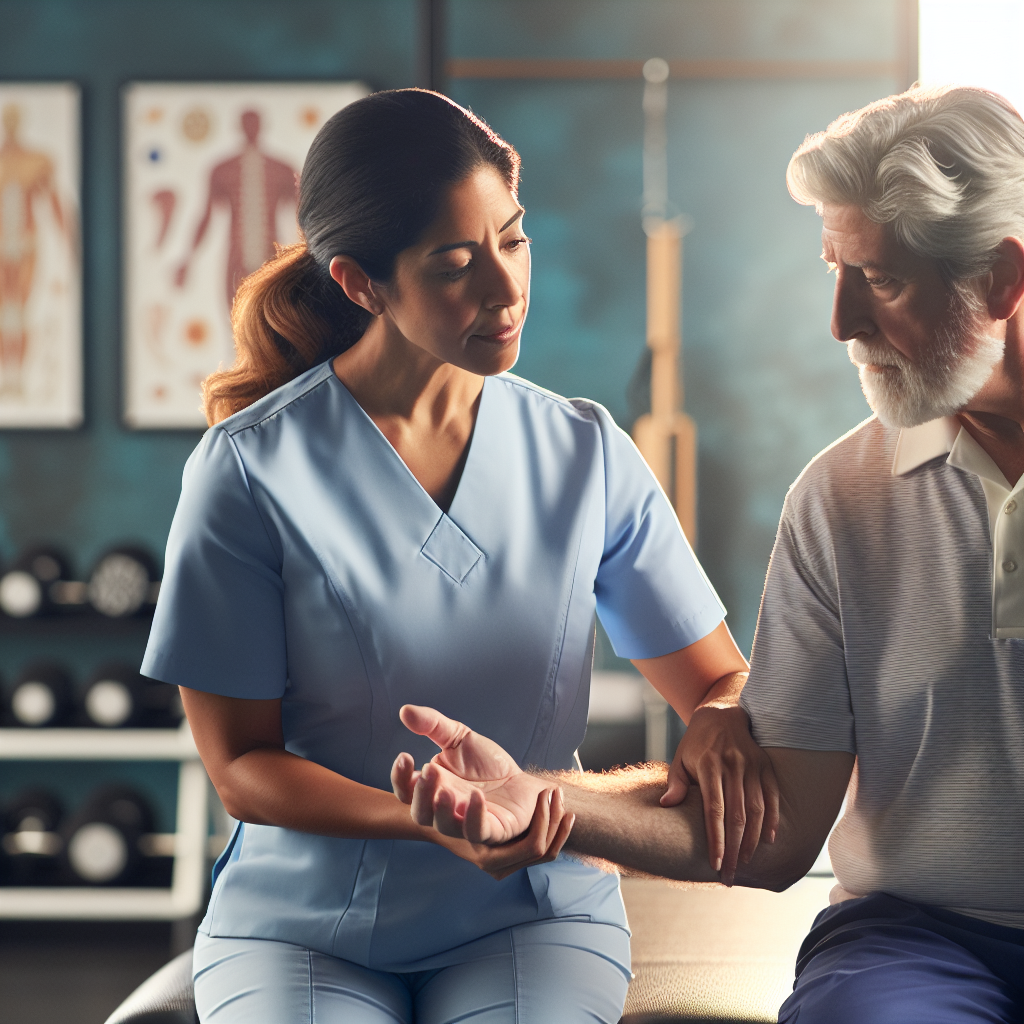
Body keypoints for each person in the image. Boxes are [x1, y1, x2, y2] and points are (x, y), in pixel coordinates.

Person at [142, 89, 774, 1024]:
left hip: (529, 915)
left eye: (513, 240)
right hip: (299, 929)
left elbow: (716, 679)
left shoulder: (587, 453)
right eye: (456, 264)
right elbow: (240, 764)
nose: (506, 287)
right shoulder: (246, 471)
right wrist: (434, 819)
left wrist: (723, 714)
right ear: (361, 282)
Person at [395, 85, 1024, 1024]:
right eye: (833, 272)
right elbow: (769, 832)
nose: (841, 321)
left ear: (1003, 278)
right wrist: (542, 801)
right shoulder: (839, 499)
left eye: (880, 280)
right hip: (916, 938)